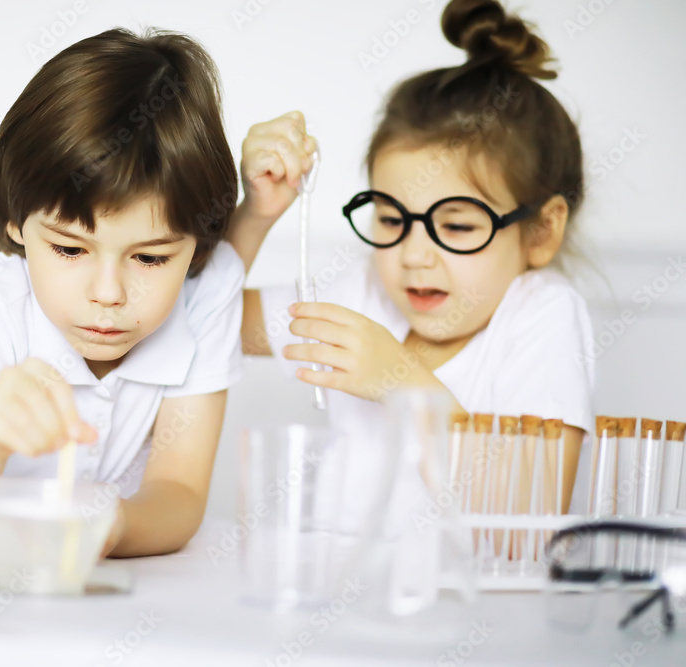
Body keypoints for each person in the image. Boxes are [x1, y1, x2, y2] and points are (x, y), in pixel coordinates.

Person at [228, 0, 595, 520]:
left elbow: (525, 520)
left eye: (459, 226)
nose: (414, 255)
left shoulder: (543, 319)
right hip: (348, 595)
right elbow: (203, 320)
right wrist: (255, 216)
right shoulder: (360, 293)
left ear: (541, 230)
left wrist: (402, 380)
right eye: (393, 221)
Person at [0, 28, 245, 558]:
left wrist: (114, 525)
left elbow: (180, 494)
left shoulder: (207, 290)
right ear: (16, 222)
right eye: (69, 250)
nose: (108, 294)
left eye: (151, 258)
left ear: (196, 245)